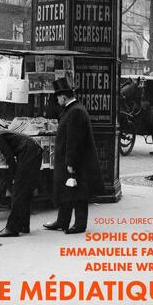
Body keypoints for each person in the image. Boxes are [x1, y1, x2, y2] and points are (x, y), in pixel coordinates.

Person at [43, 77, 103, 234]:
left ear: (63, 97)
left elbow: (73, 140)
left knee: (78, 193)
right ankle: (62, 221)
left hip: (75, 161)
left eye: (57, 97)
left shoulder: (75, 111)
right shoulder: (73, 109)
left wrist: (70, 162)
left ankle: (79, 224)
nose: (57, 100)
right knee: (67, 191)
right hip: (69, 160)